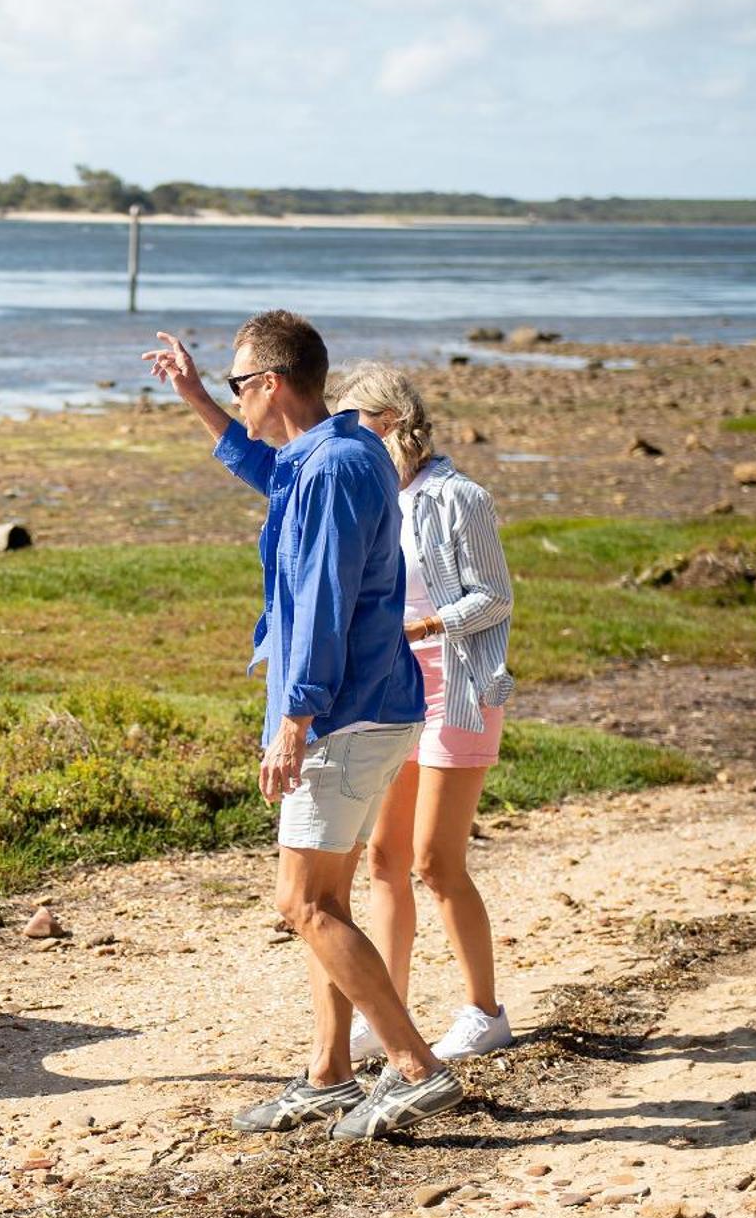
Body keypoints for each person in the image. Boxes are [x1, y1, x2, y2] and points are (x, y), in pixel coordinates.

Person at [144, 314, 466, 1140]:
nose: (235, 398)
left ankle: (417, 1068)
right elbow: (268, 468)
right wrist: (192, 398)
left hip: (343, 715)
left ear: (273, 385)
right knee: (329, 895)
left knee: (302, 903)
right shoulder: (340, 454)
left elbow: (323, 598)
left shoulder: (330, 470)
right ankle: (329, 1074)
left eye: (235, 384)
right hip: (373, 709)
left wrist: (296, 717)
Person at [337, 363, 516, 1063]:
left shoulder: (459, 496)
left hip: (458, 693)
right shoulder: (380, 496)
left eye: (354, 427)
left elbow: (494, 597)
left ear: (387, 423)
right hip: (394, 694)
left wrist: (428, 625)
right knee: (383, 857)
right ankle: (389, 1013)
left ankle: (484, 1010)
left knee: (436, 862)